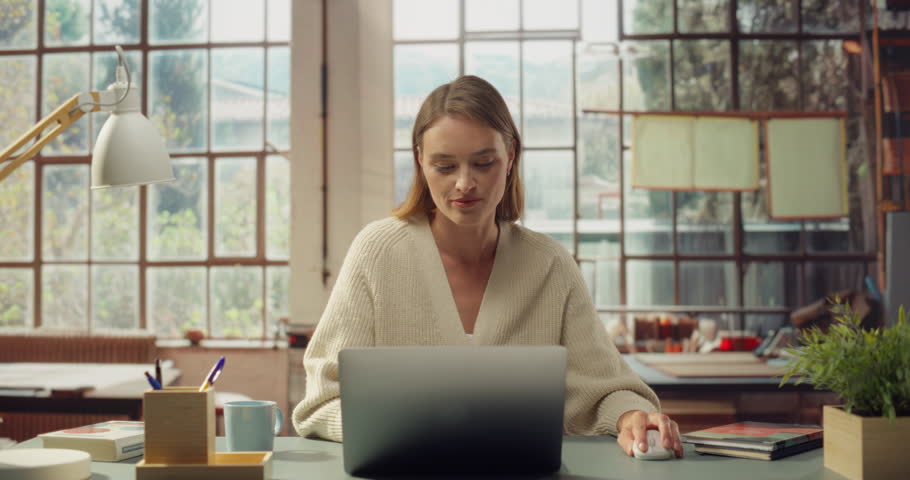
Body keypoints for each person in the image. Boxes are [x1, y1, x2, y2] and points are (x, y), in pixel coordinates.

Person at [292, 75, 684, 458]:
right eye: (445, 167)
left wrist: (631, 416)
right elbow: (322, 399)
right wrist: (394, 429)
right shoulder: (376, 253)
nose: (465, 183)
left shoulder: (550, 264)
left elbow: (606, 387)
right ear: (420, 161)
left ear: (510, 157)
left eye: (483, 163)